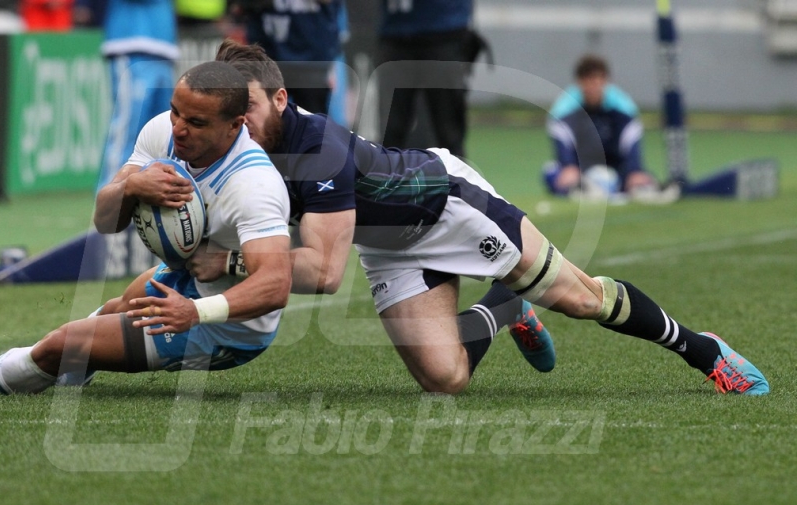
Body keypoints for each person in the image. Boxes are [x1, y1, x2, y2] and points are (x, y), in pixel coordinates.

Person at [198, 40, 766, 395]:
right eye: (230, 111)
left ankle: (705, 351)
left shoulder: (315, 146)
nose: (238, 121)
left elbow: (323, 273)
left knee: (583, 299)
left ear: (278, 99)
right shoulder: (235, 145)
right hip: (390, 246)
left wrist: (227, 258)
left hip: (447, 206)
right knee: (444, 381)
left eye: (247, 107)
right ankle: (504, 305)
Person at [0, 61, 293, 395]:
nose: (179, 128)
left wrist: (194, 312)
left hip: (227, 327)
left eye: (196, 123)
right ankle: (63, 372)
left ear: (236, 125)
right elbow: (105, 220)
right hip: (186, 279)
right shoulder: (164, 130)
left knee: (64, 342)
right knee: (115, 307)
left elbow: (274, 285)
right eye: (176, 112)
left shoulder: (253, 183)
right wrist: (131, 186)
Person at [543, 55, 664, 200]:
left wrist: (634, 170)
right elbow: (562, 141)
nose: (594, 86)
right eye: (589, 80)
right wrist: (569, 166)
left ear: (606, 81)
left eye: (599, 80)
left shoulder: (623, 108)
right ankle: (582, 189)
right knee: (551, 171)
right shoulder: (564, 110)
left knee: (641, 177)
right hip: (580, 168)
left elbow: (630, 139)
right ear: (579, 82)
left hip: (614, 166)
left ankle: (634, 188)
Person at [376, 0, 481, 158]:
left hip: (444, 32)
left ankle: (456, 179)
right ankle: (386, 178)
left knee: (449, 130)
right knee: (391, 130)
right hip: (397, 32)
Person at [94, 0, 178, 189]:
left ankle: (151, 203)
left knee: (163, 135)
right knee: (127, 129)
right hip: (131, 42)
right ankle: (110, 202)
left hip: (164, 45)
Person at [232, 0, 342, 114]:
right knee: (265, 120)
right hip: (268, 56)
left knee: (312, 121)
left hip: (311, 61)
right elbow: (239, 7)